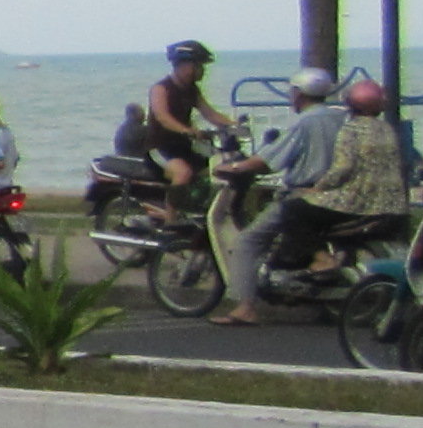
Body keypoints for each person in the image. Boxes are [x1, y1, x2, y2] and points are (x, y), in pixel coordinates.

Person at [219, 70, 344, 319]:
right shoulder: (339, 117)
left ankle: (245, 308)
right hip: (339, 195)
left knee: (248, 241)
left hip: (305, 193)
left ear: (298, 94)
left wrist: (235, 167)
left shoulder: (305, 122)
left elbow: (270, 159)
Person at [143, 40, 231, 196]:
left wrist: (234, 125)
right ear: (182, 65)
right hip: (160, 148)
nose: (202, 70)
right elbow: (163, 117)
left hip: (184, 147)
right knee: (183, 173)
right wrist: (187, 130)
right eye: (198, 65)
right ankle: (171, 218)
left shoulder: (192, 90)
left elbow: (210, 113)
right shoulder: (161, 89)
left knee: (217, 168)